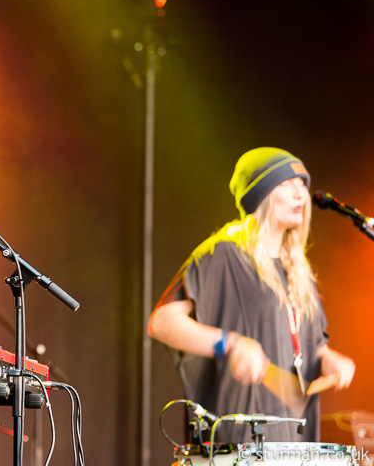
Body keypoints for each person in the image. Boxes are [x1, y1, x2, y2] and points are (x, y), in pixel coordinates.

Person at [148, 147, 355, 444]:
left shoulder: (299, 271)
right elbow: (162, 322)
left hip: (293, 441)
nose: (300, 194)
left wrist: (327, 359)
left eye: (302, 185)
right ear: (261, 195)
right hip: (240, 440)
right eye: (286, 184)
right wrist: (228, 343)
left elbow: (308, 345)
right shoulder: (223, 254)